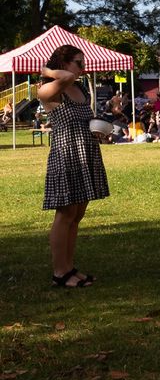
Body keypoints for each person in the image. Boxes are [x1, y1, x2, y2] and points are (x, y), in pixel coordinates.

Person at [38, 44, 109, 287]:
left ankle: (69, 267)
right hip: (65, 154)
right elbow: (65, 77)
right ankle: (60, 272)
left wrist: (98, 131)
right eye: (78, 63)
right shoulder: (50, 89)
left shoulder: (79, 88)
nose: (82, 69)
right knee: (65, 213)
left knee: (77, 213)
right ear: (64, 63)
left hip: (85, 152)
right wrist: (48, 71)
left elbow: (84, 119)